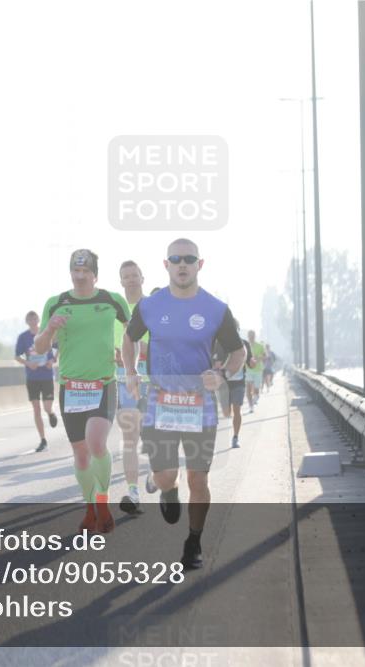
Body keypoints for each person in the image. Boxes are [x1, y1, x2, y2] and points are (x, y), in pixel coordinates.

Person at [123, 238, 245, 570]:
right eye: (175, 258)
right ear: (165, 265)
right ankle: (166, 490)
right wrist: (131, 372)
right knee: (165, 476)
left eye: (188, 259)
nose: (182, 264)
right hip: (160, 401)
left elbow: (238, 352)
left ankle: (194, 542)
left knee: (199, 480)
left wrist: (220, 374)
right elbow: (129, 339)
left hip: (199, 405)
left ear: (199, 265)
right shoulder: (149, 306)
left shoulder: (216, 309)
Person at [34, 249, 130, 534]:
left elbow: (133, 332)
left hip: (103, 384)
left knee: (96, 443)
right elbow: (40, 348)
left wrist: (129, 360)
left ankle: (102, 501)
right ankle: (90, 508)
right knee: (81, 454)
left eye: (85, 271)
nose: (79, 276)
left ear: (95, 274)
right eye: (75, 271)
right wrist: (50, 328)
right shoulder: (56, 303)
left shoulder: (112, 300)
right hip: (70, 388)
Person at [114, 260, 151, 514]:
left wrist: (136, 351)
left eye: (134, 275)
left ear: (142, 278)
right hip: (123, 378)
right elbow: (111, 345)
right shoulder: (114, 311)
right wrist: (115, 355)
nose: (130, 279)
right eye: (125, 276)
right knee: (130, 437)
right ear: (121, 281)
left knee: (157, 437)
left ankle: (158, 476)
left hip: (155, 378)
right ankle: (133, 491)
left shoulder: (153, 306)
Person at [15, 311, 58, 452]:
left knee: (46, 407)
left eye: (34, 318)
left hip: (46, 376)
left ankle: (51, 413)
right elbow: (17, 356)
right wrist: (28, 363)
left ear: (38, 319)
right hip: (32, 377)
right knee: (36, 408)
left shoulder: (46, 334)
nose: (33, 321)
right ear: (27, 321)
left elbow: (58, 347)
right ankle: (43, 440)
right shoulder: (23, 337)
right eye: (30, 319)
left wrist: (52, 360)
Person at [213, 323, 253, 448]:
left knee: (237, 410)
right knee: (226, 411)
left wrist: (252, 362)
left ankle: (235, 437)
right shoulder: (219, 344)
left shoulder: (244, 344)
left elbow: (250, 362)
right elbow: (216, 362)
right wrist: (217, 366)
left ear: (237, 330)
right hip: (224, 383)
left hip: (239, 382)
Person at [245, 330, 266, 412]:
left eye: (252, 335)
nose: (251, 337)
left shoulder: (260, 346)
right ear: (248, 336)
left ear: (255, 336)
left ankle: (256, 398)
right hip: (248, 370)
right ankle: (251, 407)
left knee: (256, 390)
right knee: (248, 388)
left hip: (257, 371)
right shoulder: (245, 346)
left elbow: (265, 356)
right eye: (249, 335)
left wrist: (258, 358)